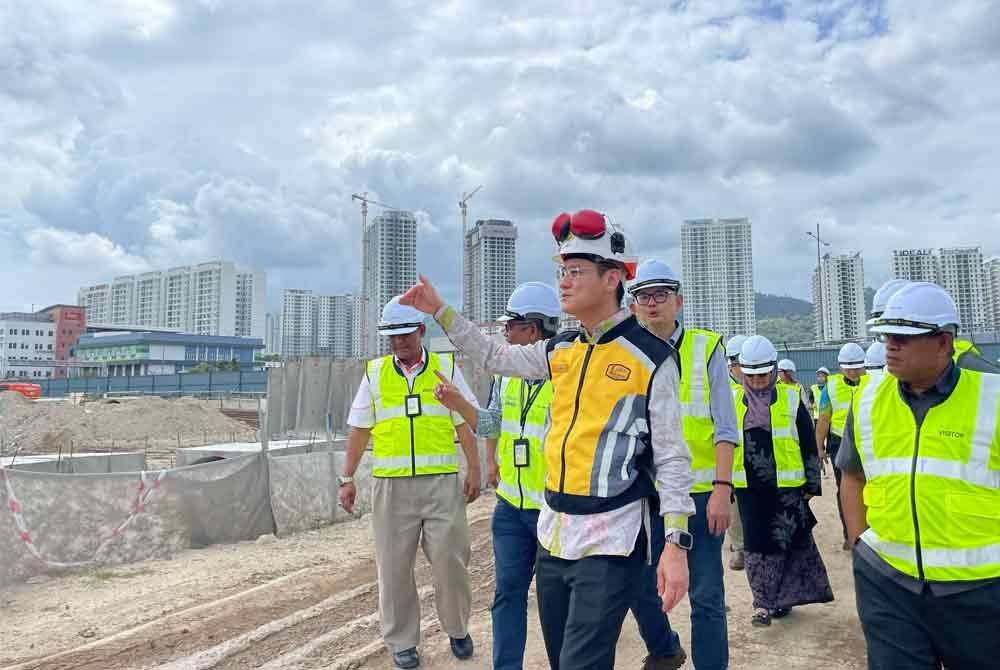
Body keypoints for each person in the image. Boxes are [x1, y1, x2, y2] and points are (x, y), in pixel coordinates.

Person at [400, 210, 694, 670]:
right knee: (562, 660)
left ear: (612, 278)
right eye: (562, 271)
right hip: (554, 531)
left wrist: (675, 544)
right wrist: (440, 310)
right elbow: (495, 355)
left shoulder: (651, 359)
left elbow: (673, 458)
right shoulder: (561, 350)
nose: (564, 282)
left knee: (580, 662)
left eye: (576, 271)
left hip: (612, 536)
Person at [838, 282, 1000, 669]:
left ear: (944, 343)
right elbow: (852, 476)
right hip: (888, 584)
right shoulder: (868, 399)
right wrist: (860, 546)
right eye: (886, 336)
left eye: (903, 338)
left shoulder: (992, 398)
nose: (890, 346)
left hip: (980, 590)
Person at [338, 296, 482, 669]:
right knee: (394, 568)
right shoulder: (374, 374)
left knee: (451, 561)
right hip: (392, 488)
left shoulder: (446, 368)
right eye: (392, 336)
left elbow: (465, 422)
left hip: (441, 484)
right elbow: (359, 430)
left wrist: (474, 468)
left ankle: (457, 629)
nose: (399, 342)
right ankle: (402, 641)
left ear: (420, 330)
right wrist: (346, 477)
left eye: (405, 334)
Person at [430, 282, 561, 670]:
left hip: (553, 511)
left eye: (510, 327)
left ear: (532, 330)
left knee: (555, 605)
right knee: (507, 596)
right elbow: (491, 424)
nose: (505, 334)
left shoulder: (567, 377)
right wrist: (457, 401)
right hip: (511, 510)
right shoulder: (507, 378)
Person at [626, 259, 739, 670]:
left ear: (678, 301)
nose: (652, 303)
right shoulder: (627, 354)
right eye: (643, 296)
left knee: (706, 595)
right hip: (645, 496)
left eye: (661, 295)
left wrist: (722, 490)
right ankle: (665, 648)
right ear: (633, 306)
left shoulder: (706, 349)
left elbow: (726, 427)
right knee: (640, 585)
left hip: (699, 494)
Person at [734, 335, 833, 627]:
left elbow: (807, 441)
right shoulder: (731, 401)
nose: (758, 382)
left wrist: (811, 484)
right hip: (749, 488)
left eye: (763, 375)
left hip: (786, 489)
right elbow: (723, 444)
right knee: (755, 546)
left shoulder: (791, 399)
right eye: (751, 376)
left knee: (786, 544)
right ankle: (762, 604)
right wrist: (723, 484)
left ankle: (783, 600)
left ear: (774, 370)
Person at [815, 342, 867, 550]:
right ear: (840, 367)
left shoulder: (874, 383)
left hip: (869, 442)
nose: (853, 372)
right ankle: (851, 535)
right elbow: (824, 419)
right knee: (846, 489)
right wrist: (819, 447)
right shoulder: (831, 387)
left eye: (857, 367)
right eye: (848, 368)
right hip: (840, 443)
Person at [725, 334, 748, 572]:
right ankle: (739, 548)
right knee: (735, 508)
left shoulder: (763, 384)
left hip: (758, 459)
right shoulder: (722, 387)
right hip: (732, 459)